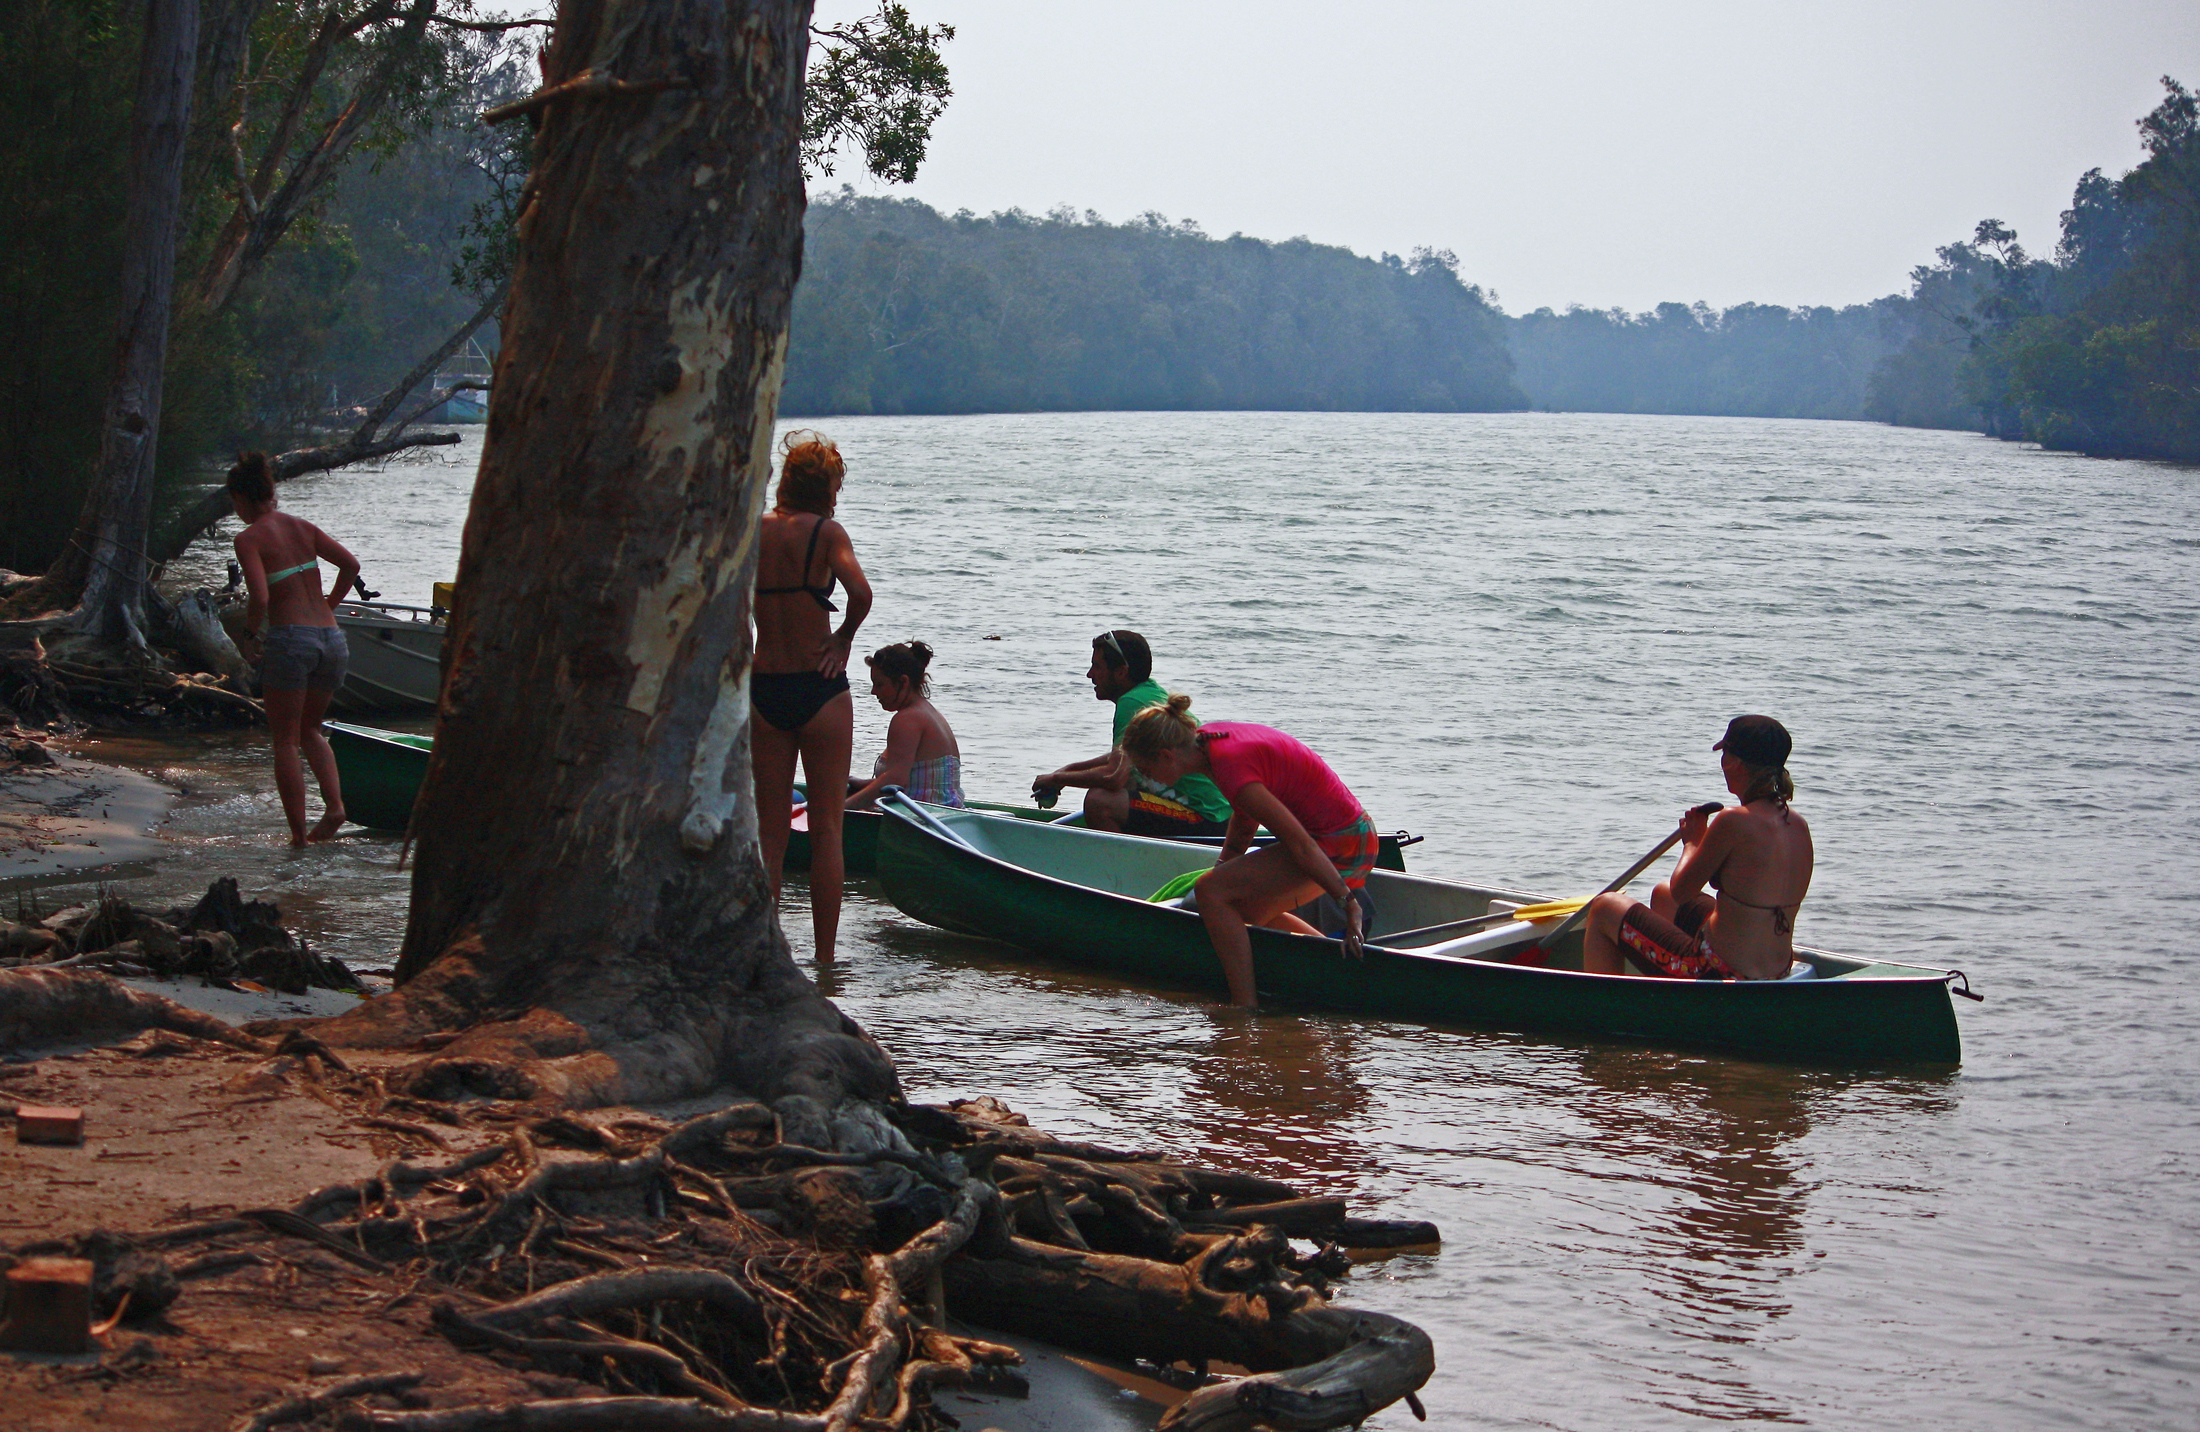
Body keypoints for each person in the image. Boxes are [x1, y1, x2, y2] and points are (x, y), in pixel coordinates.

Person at [1119, 696, 1376, 1008]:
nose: (1146, 779)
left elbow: (1301, 845)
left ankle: (1243, 1006)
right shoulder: (1209, 743)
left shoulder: (1229, 765)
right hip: (1349, 834)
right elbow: (1245, 817)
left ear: (1166, 756)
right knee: (1242, 910)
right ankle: (1336, 969)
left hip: (1342, 840)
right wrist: (1224, 866)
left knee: (1210, 891)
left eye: (1145, 770)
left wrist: (1348, 903)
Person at [751, 431, 873, 961]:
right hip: (820, 689)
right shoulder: (827, 533)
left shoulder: (755, 530)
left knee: (769, 832)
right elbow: (861, 593)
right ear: (825, 487)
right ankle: (824, 960)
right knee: (826, 830)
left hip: (764, 686)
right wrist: (843, 639)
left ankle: (764, 953)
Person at [1579, 715, 1815, 982]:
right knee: (1662, 894)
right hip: (1777, 969)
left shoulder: (1733, 820)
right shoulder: (1798, 824)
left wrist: (1693, 841)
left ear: (1735, 764)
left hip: (1716, 970)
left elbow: (1682, 891)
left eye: (1724, 755)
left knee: (1604, 907)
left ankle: (1606, 1007)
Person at [226, 451, 361, 848]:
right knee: (310, 729)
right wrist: (328, 605)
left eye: (234, 502)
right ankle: (335, 807)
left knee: (285, 740)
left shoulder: (248, 538)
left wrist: (249, 636)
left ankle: (298, 838)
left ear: (242, 498)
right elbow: (351, 565)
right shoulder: (303, 527)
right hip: (332, 640)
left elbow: (260, 597)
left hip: (291, 641)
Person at [1030, 630, 1233, 836]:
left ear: (1121, 672)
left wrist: (1058, 779)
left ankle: (1118, 855)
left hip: (1207, 815)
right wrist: (1068, 771)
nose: (1090, 674)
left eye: (1097, 666)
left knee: (1100, 801)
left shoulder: (1132, 702)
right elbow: (1125, 757)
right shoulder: (1147, 692)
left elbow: (1114, 776)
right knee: (1126, 785)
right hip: (1219, 814)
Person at [847, 641, 963, 808]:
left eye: (879, 684)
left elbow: (895, 782)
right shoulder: (929, 712)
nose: (873, 691)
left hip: (920, 815)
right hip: (947, 810)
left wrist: (842, 808)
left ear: (903, 682)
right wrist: (862, 783)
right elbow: (915, 780)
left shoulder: (907, 719)